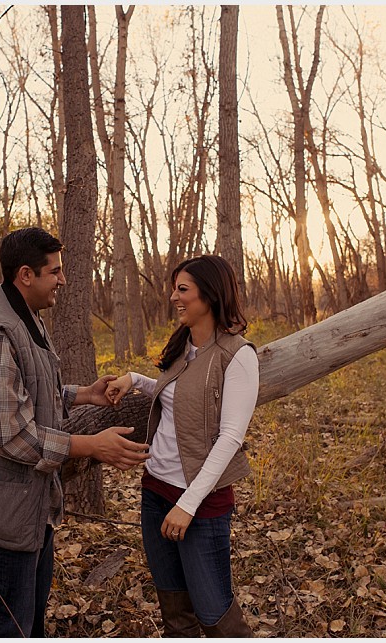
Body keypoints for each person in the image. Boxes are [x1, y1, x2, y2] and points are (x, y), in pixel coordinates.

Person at [0, 227, 149, 638]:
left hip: (23, 501)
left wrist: (83, 396)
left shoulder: (21, 312)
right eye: (55, 272)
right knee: (7, 624)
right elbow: (13, 435)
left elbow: (24, 391)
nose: (63, 280)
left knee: (29, 620)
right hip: (0, 504)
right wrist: (91, 446)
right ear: (26, 274)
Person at [106, 255, 258, 637]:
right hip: (155, 492)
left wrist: (187, 505)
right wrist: (135, 379)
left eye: (183, 289)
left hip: (199, 506)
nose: (174, 297)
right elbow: (177, 395)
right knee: (175, 614)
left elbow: (230, 439)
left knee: (215, 616)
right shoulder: (183, 347)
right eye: (174, 288)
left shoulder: (236, 356)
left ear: (210, 294)